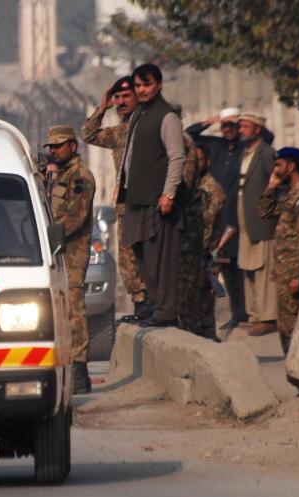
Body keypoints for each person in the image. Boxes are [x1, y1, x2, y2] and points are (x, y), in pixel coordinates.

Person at [186, 108, 275, 329]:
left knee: (241, 264)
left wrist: (244, 120)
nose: (229, 130)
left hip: (238, 215)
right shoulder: (215, 146)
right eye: (225, 127)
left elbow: (269, 138)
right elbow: (189, 135)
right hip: (217, 215)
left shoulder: (247, 148)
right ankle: (237, 314)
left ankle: (247, 313)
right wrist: (211, 120)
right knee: (222, 266)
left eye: (233, 126)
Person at [80, 76, 152, 323]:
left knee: (149, 253)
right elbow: (88, 135)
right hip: (125, 205)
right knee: (127, 255)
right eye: (117, 98)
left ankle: (155, 302)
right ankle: (141, 304)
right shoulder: (119, 133)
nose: (121, 102)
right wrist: (102, 108)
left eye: (126, 97)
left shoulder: (147, 125)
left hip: (149, 203)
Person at [119, 63, 185, 328]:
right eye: (138, 85)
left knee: (161, 259)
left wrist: (169, 193)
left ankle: (166, 311)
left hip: (158, 201)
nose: (142, 90)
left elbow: (177, 157)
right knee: (143, 256)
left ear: (158, 85)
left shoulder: (166, 116)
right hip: (136, 197)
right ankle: (156, 306)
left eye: (146, 85)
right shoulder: (139, 115)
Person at [44, 125, 96, 394]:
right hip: (52, 252)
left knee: (74, 309)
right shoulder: (53, 176)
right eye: (50, 147)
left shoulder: (80, 177)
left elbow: (76, 217)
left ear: (72, 147)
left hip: (72, 252)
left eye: (58, 146)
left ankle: (78, 369)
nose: (53, 151)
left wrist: (49, 235)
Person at [257, 148, 299, 354]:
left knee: (295, 325)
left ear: (291, 167)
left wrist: (297, 276)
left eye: (279, 165)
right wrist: (270, 188)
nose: (275, 170)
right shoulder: (289, 195)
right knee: (285, 325)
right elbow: (264, 212)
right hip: (283, 271)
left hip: (294, 272)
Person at [235, 113, 279, 336]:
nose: (241, 130)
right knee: (248, 268)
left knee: (263, 271)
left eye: (245, 126)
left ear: (257, 129)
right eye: (240, 126)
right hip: (245, 223)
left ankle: (268, 317)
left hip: (262, 223)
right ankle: (253, 316)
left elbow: (277, 186)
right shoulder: (244, 153)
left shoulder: (267, 153)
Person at [177, 143, 225, 339]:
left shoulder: (212, 189)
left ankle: (208, 342)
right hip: (189, 254)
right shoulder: (191, 186)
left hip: (205, 254)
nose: (196, 164)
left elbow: (207, 224)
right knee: (188, 304)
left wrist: (201, 254)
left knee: (203, 304)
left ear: (208, 162)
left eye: (200, 160)